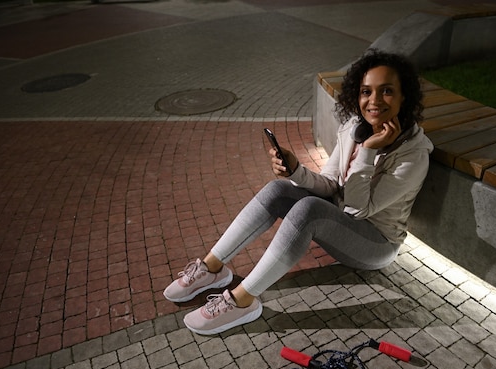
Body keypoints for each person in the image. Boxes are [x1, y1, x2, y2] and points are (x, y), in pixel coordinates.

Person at [163, 48, 433, 335]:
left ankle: (243, 301)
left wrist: (367, 152)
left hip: (376, 242)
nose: (374, 101)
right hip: (339, 216)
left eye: (387, 91)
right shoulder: (355, 127)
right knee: (279, 189)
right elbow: (330, 184)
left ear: (404, 97)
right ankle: (212, 268)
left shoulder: (413, 155)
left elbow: (357, 210)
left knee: (310, 212)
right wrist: (296, 171)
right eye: (366, 92)